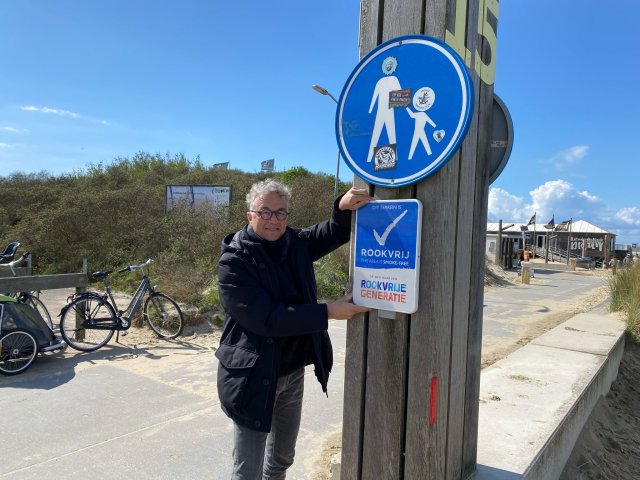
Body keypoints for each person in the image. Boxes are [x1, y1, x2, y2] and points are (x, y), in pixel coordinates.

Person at [216, 179, 373, 479]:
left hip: (292, 376)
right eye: (265, 212)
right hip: (253, 377)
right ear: (249, 215)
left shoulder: (294, 242)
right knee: (247, 471)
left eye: (281, 213)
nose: (273, 220)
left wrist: (341, 206)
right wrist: (328, 312)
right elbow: (268, 319)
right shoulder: (234, 262)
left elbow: (333, 231)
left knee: (280, 461)